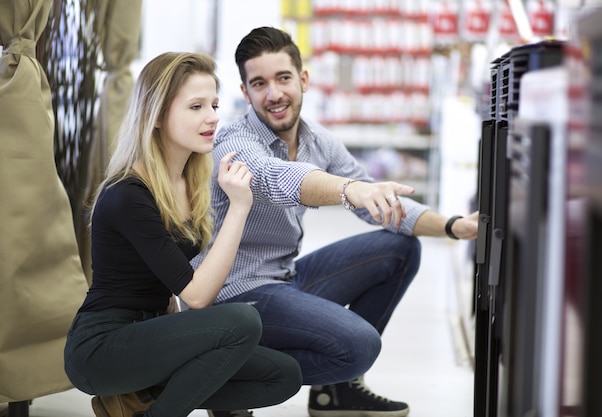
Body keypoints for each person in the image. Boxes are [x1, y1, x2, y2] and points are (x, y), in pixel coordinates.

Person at [190, 27, 479, 417]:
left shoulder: (318, 141)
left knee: (399, 249)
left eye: (283, 78)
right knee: (359, 347)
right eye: (259, 83)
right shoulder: (234, 142)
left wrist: (453, 226)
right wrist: (349, 189)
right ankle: (227, 380)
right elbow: (276, 177)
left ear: (303, 80)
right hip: (235, 295)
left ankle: (336, 394)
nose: (273, 94)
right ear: (245, 93)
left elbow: (377, 199)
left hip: (284, 280)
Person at [63, 51, 302, 417]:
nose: (212, 117)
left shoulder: (188, 182)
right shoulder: (128, 192)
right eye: (196, 107)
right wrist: (240, 207)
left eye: (214, 105)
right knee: (242, 321)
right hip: (102, 346)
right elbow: (199, 295)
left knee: (282, 375)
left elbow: (168, 285)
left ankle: (142, 403)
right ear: (156, 115)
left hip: (152, 334)